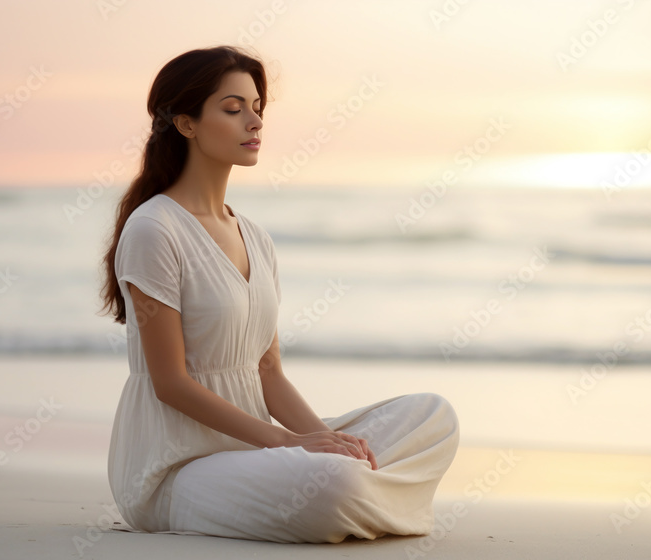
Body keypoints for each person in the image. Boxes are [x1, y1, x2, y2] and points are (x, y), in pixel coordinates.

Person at [97, 45, 460, 543]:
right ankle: (365, 497)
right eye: (233, 108)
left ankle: (360, 490)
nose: (254, 121)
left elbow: (268, 372)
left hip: (258, 454)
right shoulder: (153, 230)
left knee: (433, 416)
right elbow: (170, 383)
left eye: (256, 108)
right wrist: (290, 444)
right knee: (330, 484)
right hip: (176, 467)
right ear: (186, 124)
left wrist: (325, 440)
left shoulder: (255, 237)